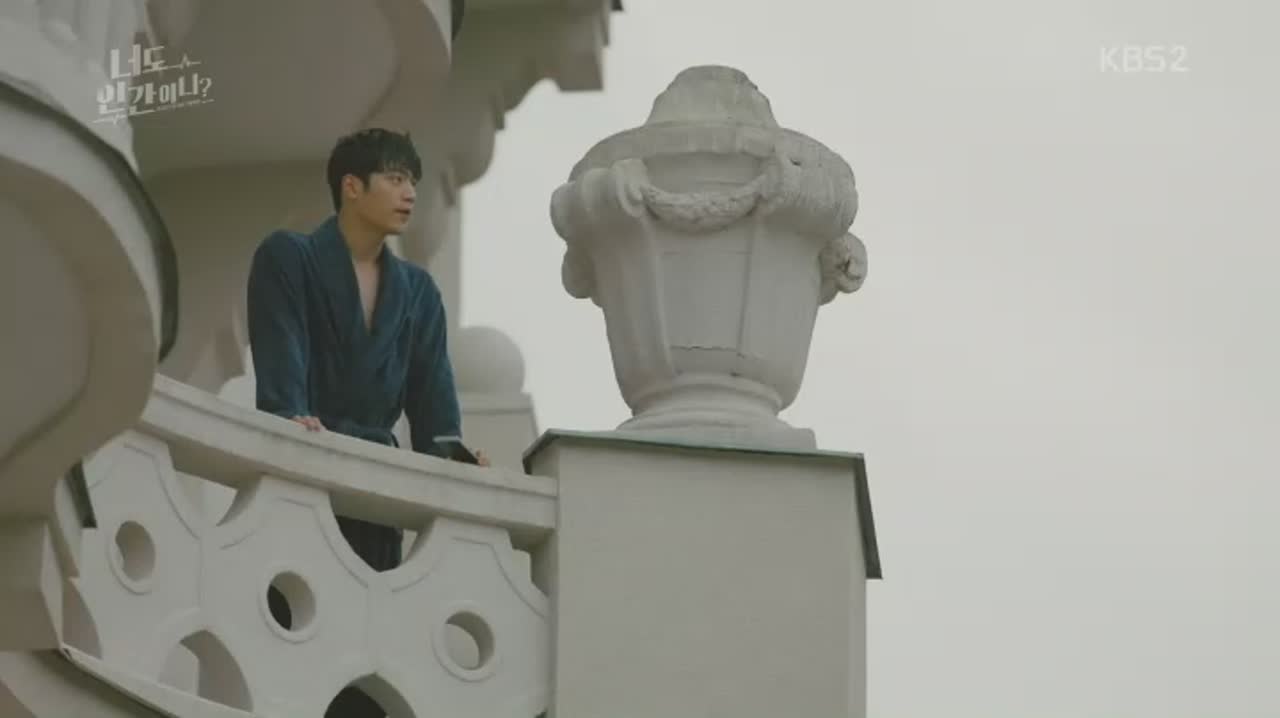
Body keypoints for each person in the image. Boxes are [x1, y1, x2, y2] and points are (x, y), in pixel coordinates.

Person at [246, 127, 485, 716]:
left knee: (367, 665)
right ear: (352, 187)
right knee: (296, 649)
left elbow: (434, 406)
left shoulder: (418, 292)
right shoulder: (289, 258)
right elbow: (281, 378)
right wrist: (290, 417)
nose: (410, 194)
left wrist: (453, 454)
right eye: (396, 179)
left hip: (377, 498)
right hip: (305, 478)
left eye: (413, 182)